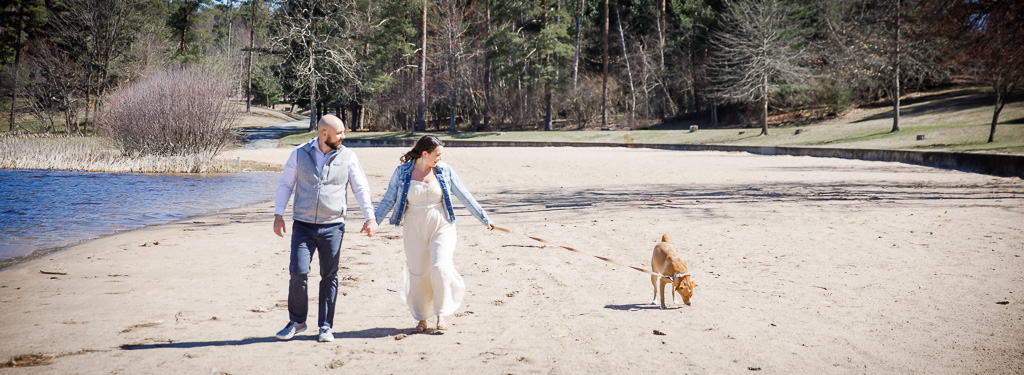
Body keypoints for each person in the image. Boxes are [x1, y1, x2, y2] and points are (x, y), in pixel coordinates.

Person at [272, 114, 377, 343]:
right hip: (303, 225)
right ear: (323, 134)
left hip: (333, 227)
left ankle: (326, 326)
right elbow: (286, 184)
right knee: (298, 273)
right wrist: (278, 214)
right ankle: (297, 322)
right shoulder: (299, 153)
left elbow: (360, 188)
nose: (343, 136)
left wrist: (370, 217)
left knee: (329, 276)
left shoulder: (348, 156)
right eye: (339, 133)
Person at [375, 135, 495, 333]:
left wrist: (484, 218)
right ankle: (422, 318)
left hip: (442, 224)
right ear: (425, 153)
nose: (440, 158)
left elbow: (464, 194)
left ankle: (441, 314)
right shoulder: (402, 172)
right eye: (437, 154)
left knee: (440, 267)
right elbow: (389, 199)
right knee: (418, 272)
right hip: (414, 226)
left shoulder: (444, 170)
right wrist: (374, 221)